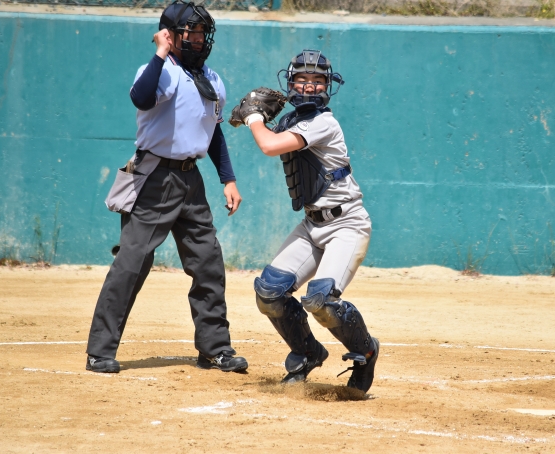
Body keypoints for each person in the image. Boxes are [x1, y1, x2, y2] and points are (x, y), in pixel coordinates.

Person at [85, 1, 247, 374]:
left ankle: (215, 349)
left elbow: (213, 132)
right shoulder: (162, 71)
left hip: (191, 180)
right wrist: (160, 53)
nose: (199, 38)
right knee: (132, 262)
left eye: (203, 32)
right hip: (154, 177)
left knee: (208, 263)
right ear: (170, 35)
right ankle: (100, 352)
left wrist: (228, 179)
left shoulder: (212, 79)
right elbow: (141, 98)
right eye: (191, 32)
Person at [238, 49, 379, 393]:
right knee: (268, 293)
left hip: (346, 224)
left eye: (318, 80)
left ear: (328, 86)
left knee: (321, 302)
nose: (311, 86)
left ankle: (365, 352)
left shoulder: (323, 122)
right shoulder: (293, 120)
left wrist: (253, 116)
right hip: (312, 225)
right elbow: (270, 132)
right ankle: (307, 353)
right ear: (291, 82)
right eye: (302, 79)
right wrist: (249, 117)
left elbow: (269, 145)